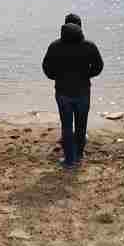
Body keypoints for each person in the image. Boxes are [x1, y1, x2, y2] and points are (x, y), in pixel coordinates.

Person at [41, 13, 104, 168]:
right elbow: (99, 66)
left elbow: (46, 67)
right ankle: (79, 155)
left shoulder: (55, 46)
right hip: (82, 91)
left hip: (63, 92)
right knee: (81, 125)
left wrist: (56, 77)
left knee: (67, 126)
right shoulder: (89, 46)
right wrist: (87, 75)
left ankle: (70, 160)